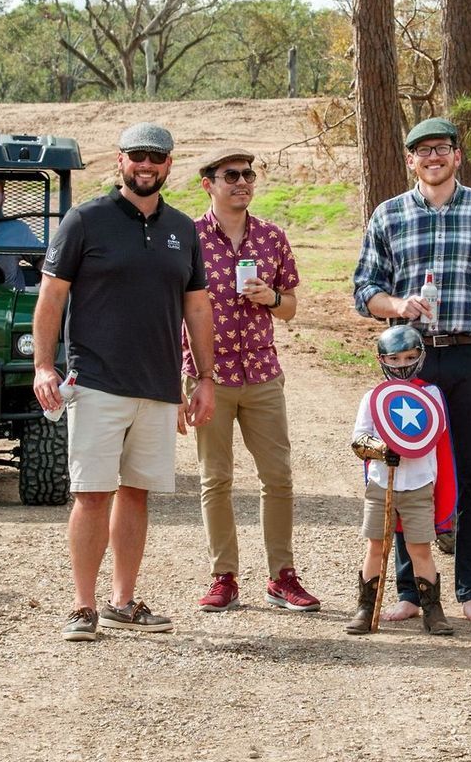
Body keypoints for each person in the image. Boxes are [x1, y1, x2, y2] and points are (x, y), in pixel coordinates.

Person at [33, 122, 217, 643]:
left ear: (169, 166)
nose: (146, 165)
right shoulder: (84, 220)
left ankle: (122, 601)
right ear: (119, 161)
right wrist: (44, 365)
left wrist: (204, 378)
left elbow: (197, 306)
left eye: (156, 158)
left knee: (136, 494)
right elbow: (51, 296)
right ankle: (82, 607)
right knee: (92, 493)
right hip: (96, 382)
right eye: (137, 156)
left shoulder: (184, 229)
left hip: (159, 388)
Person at [352, 116, 471, 623]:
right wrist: (398, 305)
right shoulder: (388, 215)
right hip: (410, 361)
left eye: (442, 148)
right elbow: (363, 290)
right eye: (422, 151)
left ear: (456, 155)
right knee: (404, 473)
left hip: (468, 355)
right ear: (410, 160)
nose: (433, 157)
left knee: (470, 474)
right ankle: (411, 592)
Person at [182, 147, 319, 614]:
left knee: (277, 476)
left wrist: (271, 296)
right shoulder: (188, 237)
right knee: (215, 478)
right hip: (209, 374)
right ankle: (224, 577)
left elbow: (292, 307)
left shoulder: (272, 237)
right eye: (231, 175)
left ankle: (282, 576)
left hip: (261, 372)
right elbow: (170, 309)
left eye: (248, 175)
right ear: (209, 184)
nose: (242, 182)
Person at [345, 326, 454, 636]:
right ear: (383, 359)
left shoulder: (431, 395)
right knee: (375, 547)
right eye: (393, 358)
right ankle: (366, 607)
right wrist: (382, 449)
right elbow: (359, 440)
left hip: (419, 485)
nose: (401, 364)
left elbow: (432, 433)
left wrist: (404, 443)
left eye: (409, 356)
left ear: (421, 356)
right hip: (382, 485)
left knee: (420, 549)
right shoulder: (372, 397)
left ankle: (432, 611)